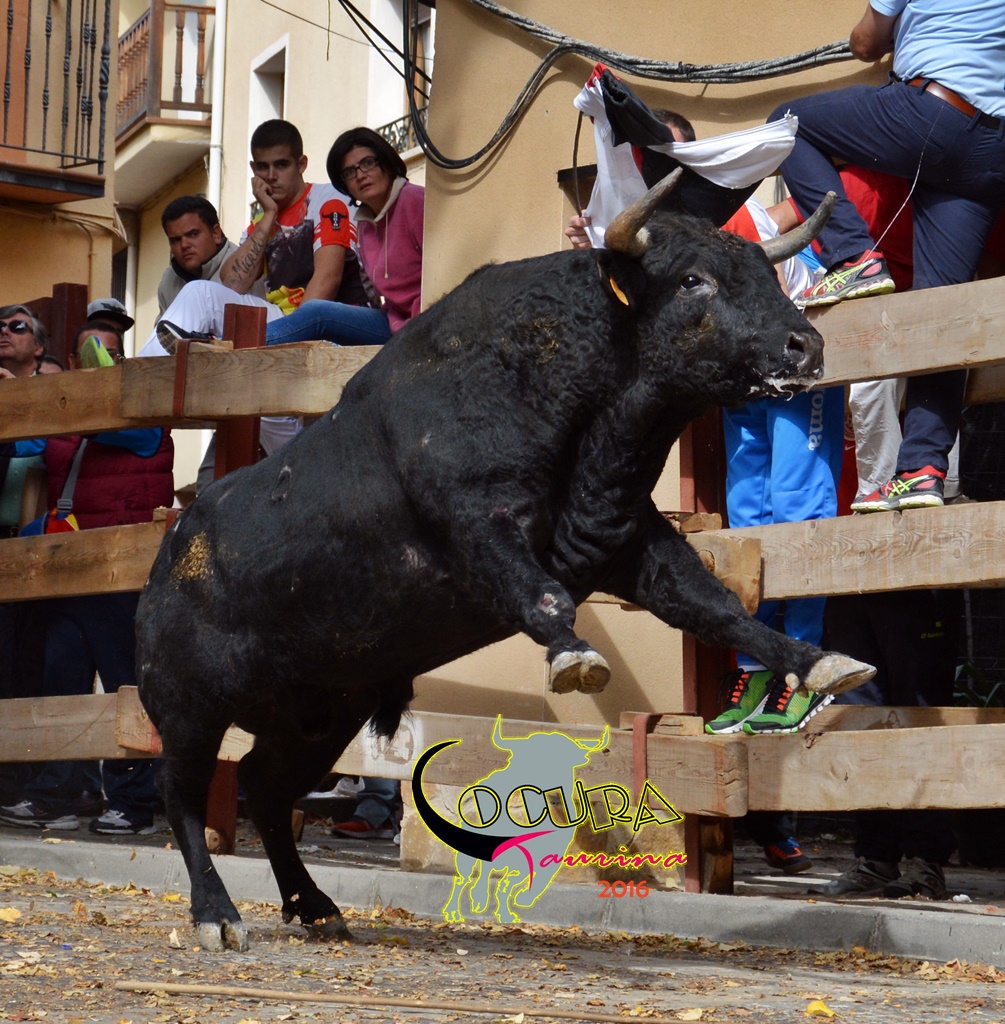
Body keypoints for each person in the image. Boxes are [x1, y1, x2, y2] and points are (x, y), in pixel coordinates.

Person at [767, 0, 1005, 512]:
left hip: (934, 113)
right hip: (992, 150)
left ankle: (851, 255)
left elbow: (865, 43)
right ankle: (921, 468)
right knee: (940, 313)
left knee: (785, 124)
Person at [0, 322, 173, 834]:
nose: (105, 362)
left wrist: (59, 402)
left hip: (122, 570)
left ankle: (134, 802)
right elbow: (25, 442)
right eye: (94, 354)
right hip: (70, 572)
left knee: (126, 683)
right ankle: (59, 793)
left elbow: (115, 428)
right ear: (75, 364)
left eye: (114, 355)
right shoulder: (66, 423)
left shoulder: (145, 418)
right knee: (61, 676)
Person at [138, 119, 370, 454]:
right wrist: (269, 215)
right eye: (263, 167)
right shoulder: (262, 222)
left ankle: (146, 374)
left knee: (235, 346)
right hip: (279, 331)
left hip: (328, 330)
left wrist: (290, 345)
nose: (271, 176)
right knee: (206, 303)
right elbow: (232, 284)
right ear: (253, 170)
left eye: (281, 165)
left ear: (302, 164)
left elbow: (328, 278)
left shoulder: (329, 202)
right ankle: (144, 374)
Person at [808, 589, 960, 899]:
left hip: (918, 587)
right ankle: (875, 860)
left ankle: (926, 862)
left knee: (921, 721)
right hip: (849, 589)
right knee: (861, 723)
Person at [157, 195, 247, 314]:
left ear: (216, 233)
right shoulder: (169, 281)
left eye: (193, 234)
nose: (184, 245)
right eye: (175, 240)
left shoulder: (246, 267)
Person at [0, 305, 46, 379]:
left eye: (17, 326)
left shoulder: (54, 383)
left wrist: (13, 383)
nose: (4, 331)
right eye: (0, 326)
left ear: (38, 347)